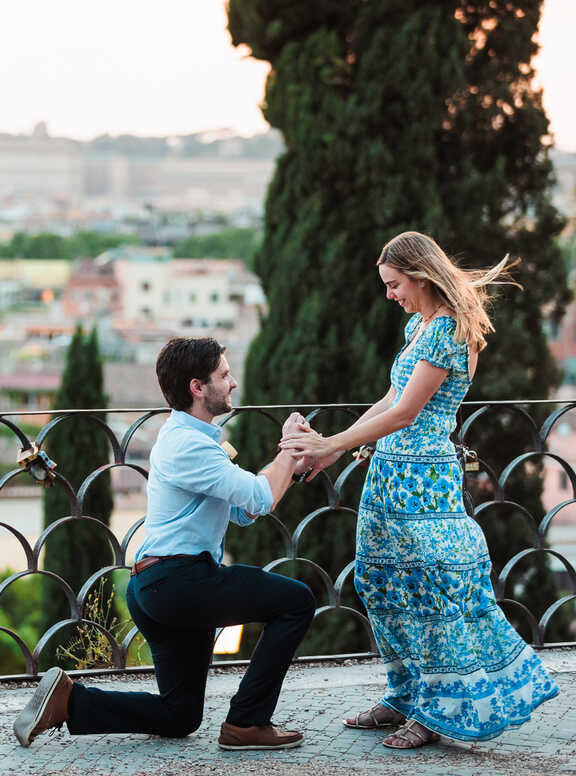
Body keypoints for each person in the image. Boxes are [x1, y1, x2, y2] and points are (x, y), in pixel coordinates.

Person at [280, 231, 559, 748]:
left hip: (421, 482)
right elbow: (390, 397)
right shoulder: (419, 325)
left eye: (395, 284)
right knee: (378, 582)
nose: (390, 295)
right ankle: (403, 694)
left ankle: (436, 713)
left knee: (428, 592)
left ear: (421, 274)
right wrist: (335, 449)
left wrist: (329, 443)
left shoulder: (447, 332)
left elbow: (408, 413)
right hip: (388, 472)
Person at [14, 337, 316, 751]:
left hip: (162, 586)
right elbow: (260, 497)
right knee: (296, 601)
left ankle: (69, 701)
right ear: (197, 387)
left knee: (180, 715)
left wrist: (293, 467)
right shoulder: (188, 445)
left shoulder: (194, 440)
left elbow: (245, 511)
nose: (234, 384)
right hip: (180, 582)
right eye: (225, 375)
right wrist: (289, 445)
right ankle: (247, 723)